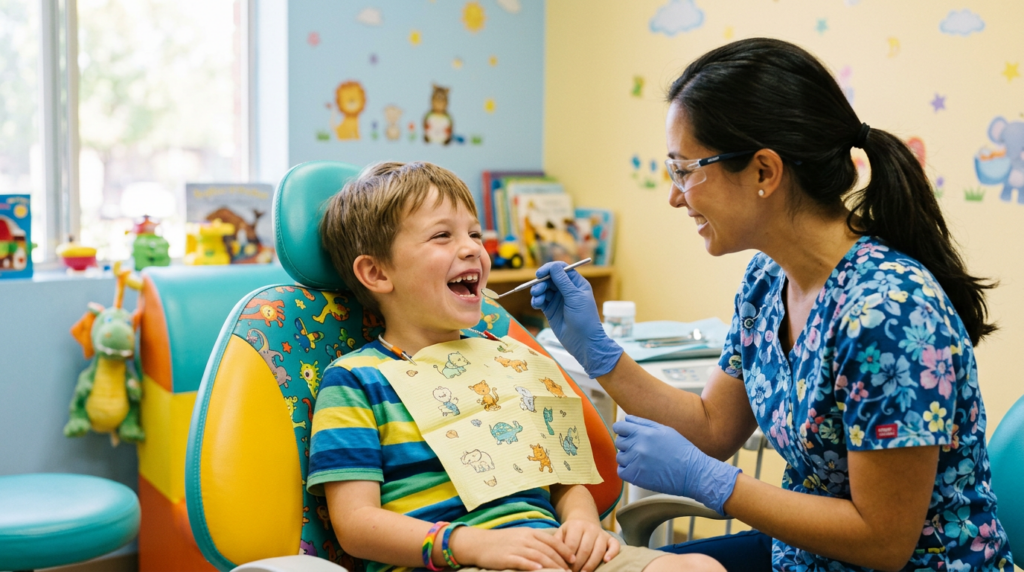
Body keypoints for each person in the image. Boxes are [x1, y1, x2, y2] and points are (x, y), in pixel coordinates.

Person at [531, 38, 1014, 572]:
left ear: (764, 172)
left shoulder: (890, 313)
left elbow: (883, 540)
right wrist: (599, 352)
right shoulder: (767, 280)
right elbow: (714, 427)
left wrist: (709, 483)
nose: (674, 195)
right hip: (804, 556)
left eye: (684, 170)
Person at [310, 161, 724, 572]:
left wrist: (581, 523)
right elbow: (356, 525)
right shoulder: (355, 382)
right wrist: (472, 545)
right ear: (377, 272)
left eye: (474, 233)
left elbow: (563, 479)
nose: (473, 247)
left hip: (554, 555)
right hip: (452, 562)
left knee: (699, 566)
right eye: (442, 236)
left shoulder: (510, 357)